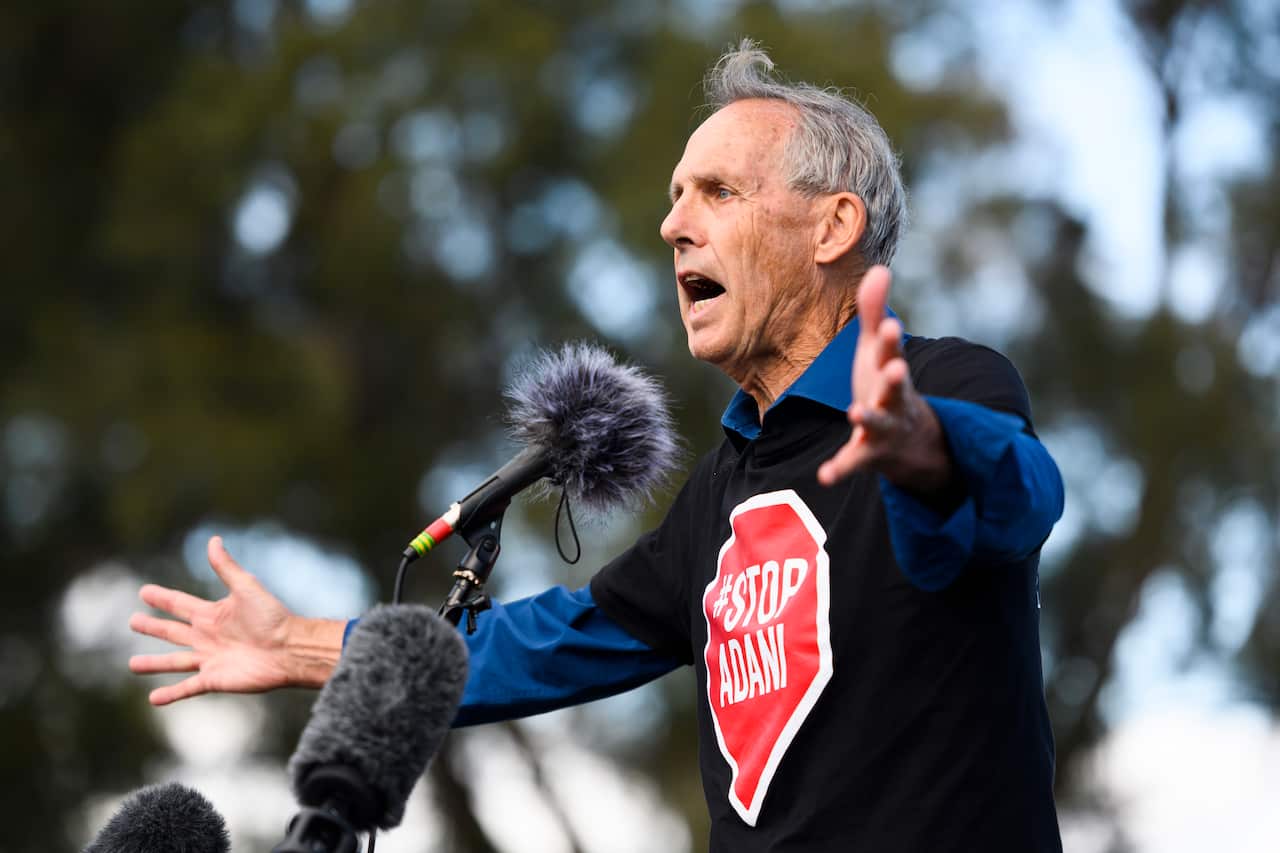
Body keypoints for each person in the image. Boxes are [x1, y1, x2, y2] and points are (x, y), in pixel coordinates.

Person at [129, 42, 1065, 852]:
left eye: (718, 192)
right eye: (673, 198)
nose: (672, 224)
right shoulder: (720, 491)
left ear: (834, 226)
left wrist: (926, 450)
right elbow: (541, 640)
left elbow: (1022, 496)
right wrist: (294, 641)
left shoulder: (950, 384)